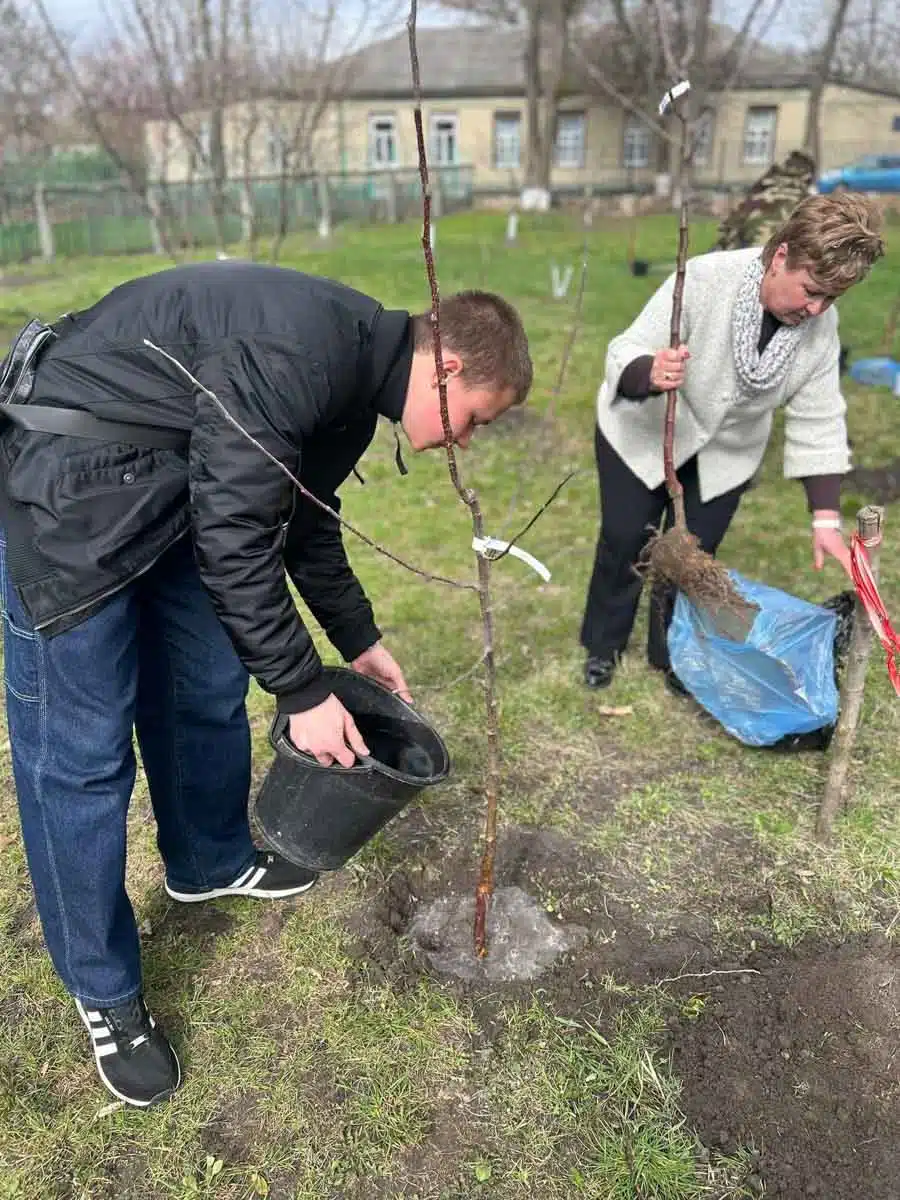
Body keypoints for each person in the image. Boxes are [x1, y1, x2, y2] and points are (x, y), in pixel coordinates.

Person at [0, 264, 532, 1108]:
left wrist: (358, 641)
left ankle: (206, 861)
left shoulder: (360, 380)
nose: (465, 442)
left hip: (167, 481)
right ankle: (103, 990)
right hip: (71, 489)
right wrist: (299, 691)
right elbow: (238, 539)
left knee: (206, 681)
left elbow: (300, 519)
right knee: (82, 758)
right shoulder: (302, 353)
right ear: (450, 368)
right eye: (475, 421)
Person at [580, 191, 884, 693]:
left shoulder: (819, 328)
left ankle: (670, 652)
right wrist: (650, 371)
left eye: (830, 298)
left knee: (694, 555)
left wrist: (825, 515)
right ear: (781, 255)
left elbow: (820, 415)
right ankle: (603, 646)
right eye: (810, 291)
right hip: (646, 430)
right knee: (625, 538)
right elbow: (627, 348)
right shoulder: (705, 279)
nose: (816, 308)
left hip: (726, 453)